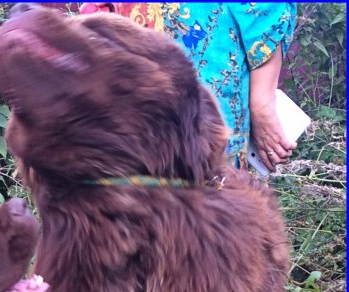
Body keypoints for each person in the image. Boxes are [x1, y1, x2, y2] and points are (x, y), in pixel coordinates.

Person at [78, 3, 298, 171]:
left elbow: (263, 11)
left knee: (206, 193)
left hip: (203, 70)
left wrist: (262, 101)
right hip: (124, 68)